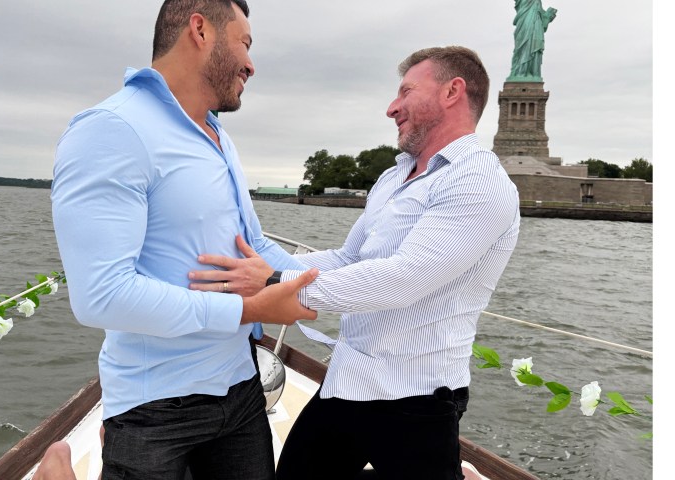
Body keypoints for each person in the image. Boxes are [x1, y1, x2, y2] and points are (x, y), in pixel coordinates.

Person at [189, 46, 521, 479]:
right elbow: (349, 258)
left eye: (405, 91)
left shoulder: (479, 181)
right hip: (349, 380)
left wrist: (272, 281)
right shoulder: (393, 177)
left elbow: (402, 278)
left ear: (452, 91)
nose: (391, 107)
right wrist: (259, 264)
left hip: (416, 399)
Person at [49, 1, 318, 478]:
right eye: (245, 43)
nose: (252, 64)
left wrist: (344, 279)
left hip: (240, 388)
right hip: (155, 407)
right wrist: (251, 310)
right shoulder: (113, 130)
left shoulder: (218, 136)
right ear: (200, 30)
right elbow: (100, 297)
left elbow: (254, 246)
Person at [507, 0, 557, 81]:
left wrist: (548, 16)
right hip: (524, 21)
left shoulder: (537, 2)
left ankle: (533, 72)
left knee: (535, 44)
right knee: (523, 47)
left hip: (536, 22)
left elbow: (542, 15)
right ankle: (520, 72)